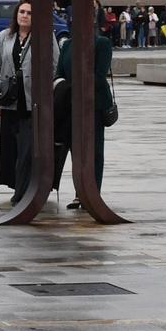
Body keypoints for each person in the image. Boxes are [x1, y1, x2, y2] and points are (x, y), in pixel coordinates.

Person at [0, 0, 53, 200]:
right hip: (10, 100)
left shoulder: (44, 36)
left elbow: (54, 64)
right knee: (12, 148)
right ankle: (18, 185)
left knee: (28, 148)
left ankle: (22, 193)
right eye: (22, 11)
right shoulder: (4, 37)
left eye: (29, 13)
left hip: (32, 100)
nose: (25, 15)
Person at [53, 26, 115, 209]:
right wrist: (66, 88)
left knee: (93, 150)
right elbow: (59, 73)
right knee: (75, 150)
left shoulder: (101, 43)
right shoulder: (67, 45)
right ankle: (79, 193)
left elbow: (100, 74)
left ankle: (92, 193)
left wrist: (77, 88)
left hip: (93, 105)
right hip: (70, 105)